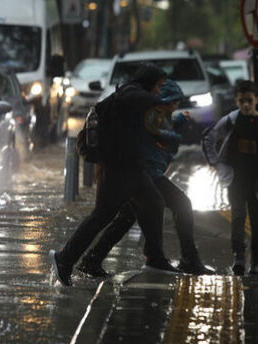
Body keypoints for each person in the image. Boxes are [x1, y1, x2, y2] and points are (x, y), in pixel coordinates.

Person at [76, 79, 214, 277]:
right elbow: (163, 138)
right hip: (144, 174)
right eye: (174, 102)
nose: (176, 106)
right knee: (181, 204)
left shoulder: (154, 114)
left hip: (138, 174)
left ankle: (91, 260)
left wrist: (176, 121)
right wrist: (177, 126)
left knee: (125, 218)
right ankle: (185, 259)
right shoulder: (151, 114)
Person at [49, 63, 168, 286]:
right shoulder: (131, 93)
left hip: (131, 169)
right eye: (158, 86)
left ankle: (146, 258)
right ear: (149, 83)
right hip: (114, 169)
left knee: (150, 204)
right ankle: (64, 259)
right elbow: (139, 102)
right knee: (102, 215)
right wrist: (159, 103)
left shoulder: (134, 96)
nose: (159, 91)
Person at [202, 80, 258, 275]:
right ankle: (239, 258)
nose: (245, 104)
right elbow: (209, 138)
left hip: (257, 182)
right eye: (241, 101)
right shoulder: (232, 119)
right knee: (237, 218)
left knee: (257, 222)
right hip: (235, 181)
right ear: (236, 101)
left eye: (249, 100)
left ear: (257, 100)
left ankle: (256, 260)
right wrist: (217, 164)